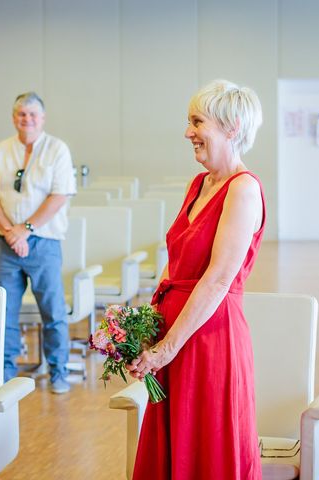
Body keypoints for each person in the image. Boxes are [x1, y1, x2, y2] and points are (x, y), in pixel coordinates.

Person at [126, 80, 266, 479]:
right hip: (174, 331)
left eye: (197, 122)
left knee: (207, 447)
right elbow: (175, 261)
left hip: (209, 337)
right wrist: (149, 328)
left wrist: (166, 348)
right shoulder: (198, 184)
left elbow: (218, 280)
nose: (188, 132)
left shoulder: (244, 190)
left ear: (231, 127)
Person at [0, 92, 76, 393]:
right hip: (6, 244)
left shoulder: (57, 149)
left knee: (53, 311)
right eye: (22, 114)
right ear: (14, 118)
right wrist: (11, 232)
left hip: (44, 243)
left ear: (42, 118)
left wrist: (26, 229)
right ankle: (6, 374)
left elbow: (59, 196)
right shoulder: (0, 151)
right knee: (5, 312)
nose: (27, 119)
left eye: (33, 114)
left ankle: (59, 371)